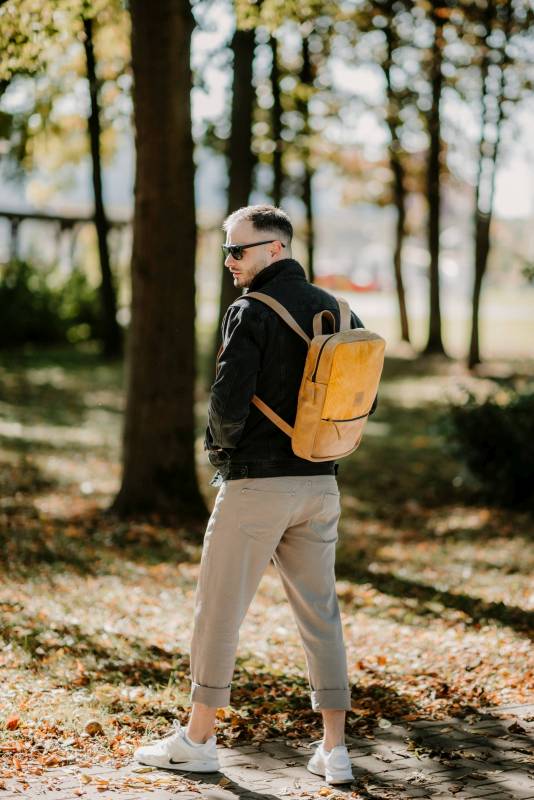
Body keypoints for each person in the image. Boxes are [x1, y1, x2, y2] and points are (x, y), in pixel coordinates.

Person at [135, 204, 376, 786]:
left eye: (238, 251)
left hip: (256, 486)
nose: (229, 263)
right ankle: (336, 751)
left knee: (219, 609)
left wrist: (222, 458)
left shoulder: (250, 311)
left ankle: (197, 740)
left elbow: (226, 402)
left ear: (274, 250)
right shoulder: (340, 309)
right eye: (225, 251)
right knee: (322, 614)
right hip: (321, 484)